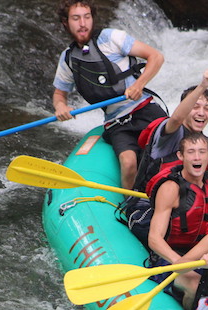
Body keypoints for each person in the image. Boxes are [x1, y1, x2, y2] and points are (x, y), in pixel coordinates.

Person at [52, 0, 167, 189]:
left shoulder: (110, 37)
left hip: (144, 109)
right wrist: (60, 107)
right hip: (116, 122)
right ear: (66, 23)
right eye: (76, 18)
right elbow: (59, 94)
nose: (83, 23)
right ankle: (131, 209)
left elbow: (156, 57)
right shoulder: (68, 58)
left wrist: (139, 84)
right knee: (128, 163)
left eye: (87, 17)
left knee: (169, 154)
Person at [147, 131, 208, 310]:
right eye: (191, 152)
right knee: (195, 282)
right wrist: (179, 262)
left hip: (204, 254)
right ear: (181, 156)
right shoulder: (171, 189)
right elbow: (154, 238)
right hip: (173, 257)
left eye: (202, 152)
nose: (197, 157)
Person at [132, 67, 208, 193]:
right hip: (148, 202)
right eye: (195, 107)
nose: (201, 113)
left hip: (184, 202)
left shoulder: (201, 142)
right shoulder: (172, 130)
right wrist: (203, 86)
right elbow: (177, 119)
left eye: (207, 108)